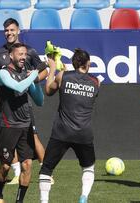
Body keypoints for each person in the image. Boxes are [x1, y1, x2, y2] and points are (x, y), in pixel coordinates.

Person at [0, 18, 48, 185]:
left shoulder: (28, 51)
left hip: (24, 104)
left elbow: (41, 71)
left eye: (12, 30)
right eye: (6, 30)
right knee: (11, 141)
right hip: (5, 106)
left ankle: (46, 172)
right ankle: (17, 174)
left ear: (18, 31)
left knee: (34, 136)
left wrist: (33, 82)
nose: (9, 33)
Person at [38, 49, 100, 203]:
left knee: (46, 169)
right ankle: (84, 196)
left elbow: (48, 90)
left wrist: (53, 68)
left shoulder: (63, 76)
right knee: (88, 168)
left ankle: (44, 201)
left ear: (73, 63)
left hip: (61, 132)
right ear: (88, 64)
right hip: (83, 133)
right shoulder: (96, 82)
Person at [0, 43, 44, 203]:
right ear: (11, 56)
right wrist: (34, 74)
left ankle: (19, 201)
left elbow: (39, 101)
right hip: (8, 127)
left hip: (25, 126)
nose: (23, 57)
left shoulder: (26, 74)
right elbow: (18, 87)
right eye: (20, 54)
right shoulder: (2, 73)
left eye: (25, 54)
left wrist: (35, 81)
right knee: (5, 167)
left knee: (28, 165)